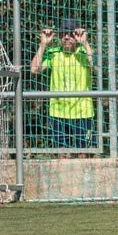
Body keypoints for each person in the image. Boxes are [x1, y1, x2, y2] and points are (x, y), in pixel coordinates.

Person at [30, 18, 94, 152]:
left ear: (77, 36)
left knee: (83, 153)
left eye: (71, 34)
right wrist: (43, 45)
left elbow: (96, 67)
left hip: (82, 111)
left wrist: (85, 43)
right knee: (61, 153)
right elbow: (34, 69)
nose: (66, 37)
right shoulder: (54, 53)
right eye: (63, 34)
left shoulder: (84, 53)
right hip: (58, 110)